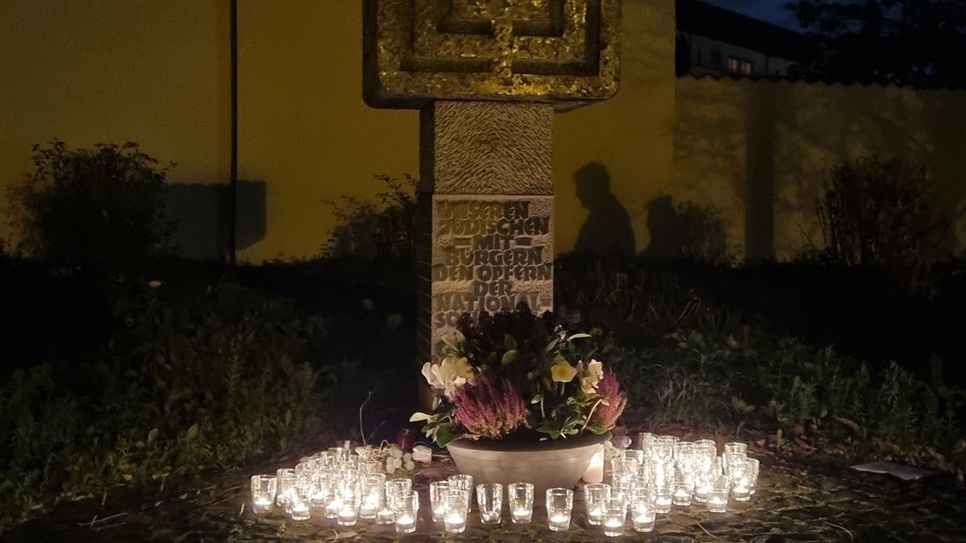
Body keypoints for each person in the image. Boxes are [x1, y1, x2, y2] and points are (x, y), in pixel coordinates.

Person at [572, 162, 635, 258]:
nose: (577, 194)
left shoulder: (607, 217)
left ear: (592, 188)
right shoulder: (608, 214)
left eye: (580, 187)